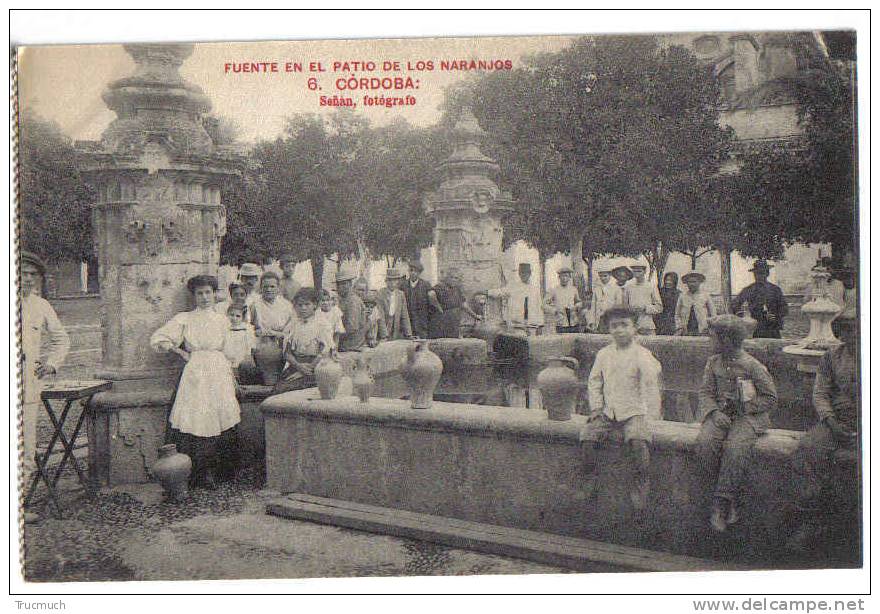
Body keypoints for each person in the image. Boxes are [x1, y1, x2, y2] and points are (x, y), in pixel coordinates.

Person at [151, 275, 241, 489]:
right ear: (193, 296)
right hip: (196, 371)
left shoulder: (223, 319)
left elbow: (231, 351)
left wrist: (233, 375)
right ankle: (200, 472)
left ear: (214, 294)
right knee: (198, 418)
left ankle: (222, 470)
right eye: (199, 293)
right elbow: (159, 338)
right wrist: (180, 352)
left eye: (208, 292)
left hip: (218, 368)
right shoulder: (185, 318)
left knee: (221, 416)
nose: (204, 297)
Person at [695, 314, 777, 533]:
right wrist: (713, 412)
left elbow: (771, 398)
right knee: (704, 443)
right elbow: (705, 392)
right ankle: (716, 494)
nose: (710, 342)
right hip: (722, 414)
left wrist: (745, 408)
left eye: (713, 338)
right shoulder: (713, 363)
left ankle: (723, 502)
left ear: (728, 341)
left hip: (749, 417)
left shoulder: (752, 365)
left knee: (735, 448)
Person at [579, 305, 662, 511]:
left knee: (638, 442)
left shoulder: (642, 354)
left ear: (634, 329)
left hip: (634, 411)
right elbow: (595, 381)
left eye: (624, 325)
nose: (619, 330)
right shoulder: (604, 354)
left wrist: (650, 415)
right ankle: (590, 479)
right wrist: (597, 408)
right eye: (614, 326)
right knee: (588, 436)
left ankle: (641, 483)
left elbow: (652, 382)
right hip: (608, 411)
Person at [788, 317, 859, 551]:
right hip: (836, 420)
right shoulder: (832, 356)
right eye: (847, 331)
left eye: (857, 330)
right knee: (808, 450)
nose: (853, 335)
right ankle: (810, 520)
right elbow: (820, 393)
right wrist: (830, 420)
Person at [20, 251, 70, 524]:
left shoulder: (40, 306)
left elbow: (62, 339)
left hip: (27, 387)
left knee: (25, 451)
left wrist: (51, 364)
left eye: (32, 275)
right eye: (22, 273)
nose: (27, 279)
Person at [273, 287, 335, 394]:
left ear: (315, 305)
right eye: (299, 305)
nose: (303, 308)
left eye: (307, 304)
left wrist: (306, 370)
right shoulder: (293, 324)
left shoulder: (322, 324)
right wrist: (298, 366)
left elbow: (323, 353)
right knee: (278, 390)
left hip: (315, 366)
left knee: (295, 390)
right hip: (296, 364)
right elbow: (287, 353)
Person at [730, 260, 788, 339]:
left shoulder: (775, 289)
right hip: (757, 328)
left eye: (761, 273)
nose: (758, 276)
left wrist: (776, 316)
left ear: (767, 274)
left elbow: (784, 308)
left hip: (773, 329)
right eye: (756, 273)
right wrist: (740, 315)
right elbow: (735, 304)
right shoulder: (749, 289)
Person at [490, 263, 544, 334]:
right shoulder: (513, 286)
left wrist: (540, 325)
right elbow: (500, 292)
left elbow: (539, 307)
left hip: (532, 327)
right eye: (521, 272)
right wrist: (487, 292)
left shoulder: (535, 289)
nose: (524, 275)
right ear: (519, 273)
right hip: (517, 327)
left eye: (526, 272)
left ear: (530, 273)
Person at [428, 268, 479, 339]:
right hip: (443, 321)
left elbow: (463, 305)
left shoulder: (457, 289)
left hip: (454, 321)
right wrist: (439, 308)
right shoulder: (441, 286)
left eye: (457, 278)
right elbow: (431, 294)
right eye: (453, 277)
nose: (455, 280)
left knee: (453, 341)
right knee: (442, 341)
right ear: (448, 277)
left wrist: (475, 316)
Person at [249, 271, 294, 343]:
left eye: (272, 286)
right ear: (261, 288)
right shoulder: (255, 306)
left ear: (278, 288)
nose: (268, 290)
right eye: (265, 287)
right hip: (262, 343)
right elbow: (249, 328)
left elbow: (292, 327)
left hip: (283, 342)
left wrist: (279, 334)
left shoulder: (287, 305)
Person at [623, 261, 662, 335]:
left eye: (639, 271)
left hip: (647, 326)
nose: (637, 274)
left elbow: (659, 307)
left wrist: (645, 308)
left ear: (644, 272)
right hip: (633, 326)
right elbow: (625, 307)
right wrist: (631, 310)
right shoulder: (628, 287)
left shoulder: (651, 286)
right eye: (634, 271)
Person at [223, 304, 259, 383]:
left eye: (238, 316)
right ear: (227, 315)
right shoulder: (224, 328)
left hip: (242, 355)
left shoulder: (246, 328)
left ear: (242, 318)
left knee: (243, 367)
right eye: (231, 315)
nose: (234, 318)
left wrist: (248, 355)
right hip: (228, 356)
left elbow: (251, 344)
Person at [336, 265, 368, 351]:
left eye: (343, 284)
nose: (339, 287)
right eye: (338, 284)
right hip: (346, 340)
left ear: (350, 284)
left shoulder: (353, 301)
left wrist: (336, 337)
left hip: (351, 343)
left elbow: (352, 327)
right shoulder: (343, 299)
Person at [675, 271, 717, 336]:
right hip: (686, 330)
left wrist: (709, 328)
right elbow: (677, 314)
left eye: (694, 282)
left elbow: (713, 314)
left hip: (702, 330)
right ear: (686, 283)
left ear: (699, 282)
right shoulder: (682, 296)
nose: (692, 284)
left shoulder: (705, 295)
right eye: (689, 282)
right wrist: (679, 327)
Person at [376, 267, 413, 340]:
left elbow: (404, 315)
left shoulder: (401, 294)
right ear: (386, 281)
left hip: (395, 327)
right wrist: (384, 335)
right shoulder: (380, 294)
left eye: (395, 280)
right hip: (384, 326)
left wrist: (408, 334)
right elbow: (380, 317)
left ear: (398, 281)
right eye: (390, 281)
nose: (392, 283)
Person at [545, 266, 582, 333]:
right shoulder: (554, 290)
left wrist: (576, 306)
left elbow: (579, 302)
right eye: (562, 276)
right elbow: (544, 304)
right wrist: (555, 311)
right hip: (561, 322)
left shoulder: (573, 289)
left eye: (566, 276)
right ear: (559, 277)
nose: (564, 278)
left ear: (569, 278)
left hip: (573, 321)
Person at [402, 260, 432, 338]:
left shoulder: (426, 285)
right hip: (407, 321)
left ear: (419, 273)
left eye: (416, 271)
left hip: (422, 322)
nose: (413, 273)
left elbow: (430, 304)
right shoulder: (403, 285)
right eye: (411, 270)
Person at [588, 265, 622, 333]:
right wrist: (591, 321)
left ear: (610, 275)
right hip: (599, 318)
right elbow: (593, 306)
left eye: (605, 276)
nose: (603, 278)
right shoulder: (597, 289)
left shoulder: (616, 288)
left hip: (611, 318)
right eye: (601, 276)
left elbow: (618, 305)